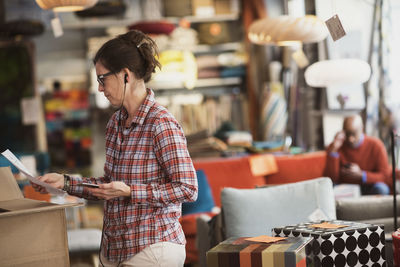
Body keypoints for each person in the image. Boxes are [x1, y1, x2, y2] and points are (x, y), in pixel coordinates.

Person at [32, 30, 198, 267]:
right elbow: (110, 185)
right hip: (116, 249)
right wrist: (65, 183)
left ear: (126, 76)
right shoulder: (115, 123)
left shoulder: (161, 123)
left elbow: (188, 188)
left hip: (153, 246)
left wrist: (131, 191)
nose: (100, 88)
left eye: (102, 79)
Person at [324, 114, 391, 195]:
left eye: (354, 133)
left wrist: (362, 175)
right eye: (347, 133)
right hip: (346, 187)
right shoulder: (336, 145)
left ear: (362, 129)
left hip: (369, 186)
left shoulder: (376, 145)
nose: (350, 139)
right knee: (329, 188)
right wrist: (333, 151)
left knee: (381, 188)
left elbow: (385, 176)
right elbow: (331, 179)